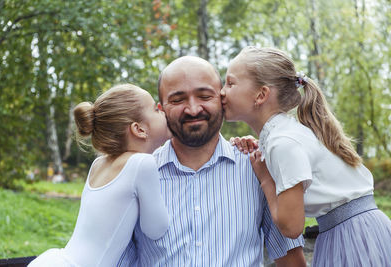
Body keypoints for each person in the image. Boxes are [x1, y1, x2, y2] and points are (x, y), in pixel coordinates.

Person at [117, 56, 306, 266]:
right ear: (161, 110)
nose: (193, 109)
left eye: (205, 96)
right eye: (178, 100)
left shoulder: (258, 168)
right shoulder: (135, 175)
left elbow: (291, 260)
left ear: (222, 99)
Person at [220, 46, 391, 266]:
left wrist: (266, 180)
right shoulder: (284, 135)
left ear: (261, 95)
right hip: (360, 232)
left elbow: (291, 227)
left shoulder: (283, 142)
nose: (222, 91)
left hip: (352, 241)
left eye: (230, 83)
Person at [28, 84, 171, 267]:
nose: (162, 110)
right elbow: (156, 229)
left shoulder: (99, 164)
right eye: (155, 109)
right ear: (139, 129)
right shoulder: (142, 163)